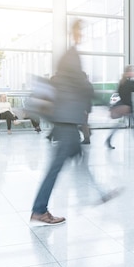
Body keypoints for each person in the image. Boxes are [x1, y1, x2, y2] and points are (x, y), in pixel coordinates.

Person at [30, 19, 95, 225]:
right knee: (56, 166)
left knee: (76, 156)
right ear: (74, 32)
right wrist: (102, 99)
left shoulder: (68, 56)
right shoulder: (71, 56)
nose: (82, 34)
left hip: (67, 119)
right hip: (67, 119)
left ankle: (98, 191)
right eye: (80, 30)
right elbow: (82, 86)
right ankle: (39, 209)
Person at [106, 66, 134, 149]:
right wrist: (133, 81)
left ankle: (109, 139)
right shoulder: (130, 82)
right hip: (128, 107)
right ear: (128, 72)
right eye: (132, 71)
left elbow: (120, 93)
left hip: (123, 106)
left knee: (120, 124)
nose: (133, 73)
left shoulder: (122, 82)